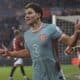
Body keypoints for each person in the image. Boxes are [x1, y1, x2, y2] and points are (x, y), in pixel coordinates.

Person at [0, 2, 80, 80]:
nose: (26, 16)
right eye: (26, 14)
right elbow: (28, 52)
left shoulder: (51, 28)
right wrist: (10, 53)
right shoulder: (26, 35)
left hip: (54, 75)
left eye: (30, 13)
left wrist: (76, 32)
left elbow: (71, 42)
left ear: (38, 15)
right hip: (38, 76)